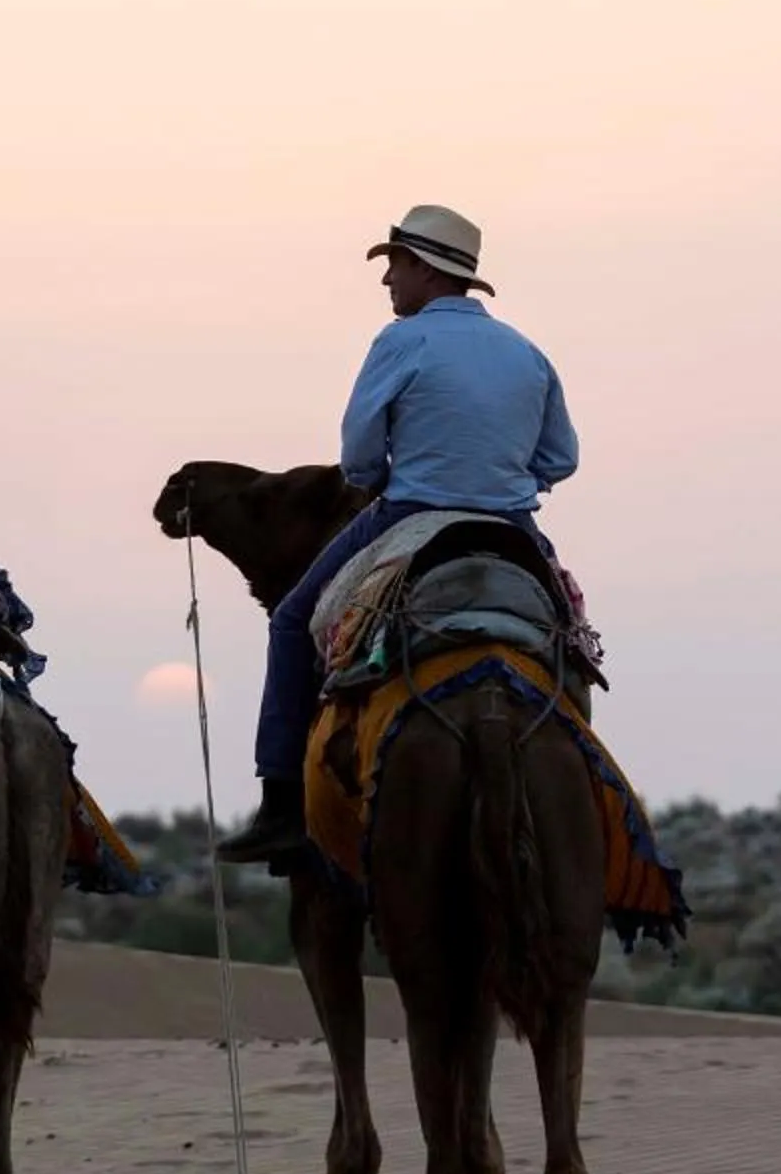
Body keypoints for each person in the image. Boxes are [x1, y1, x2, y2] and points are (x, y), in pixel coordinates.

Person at [216, 201, 578, 868]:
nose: (387, 283)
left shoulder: (399, 343)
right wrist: (498, 477)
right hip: (513, 526)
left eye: (394, 268)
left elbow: (356, 454)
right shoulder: (527, 353)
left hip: (410, 514)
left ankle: (283, 802)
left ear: (422, 268)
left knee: (293, 620)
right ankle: (580, 789)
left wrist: (386, 473)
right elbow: (561, 459)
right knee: (572, 642)